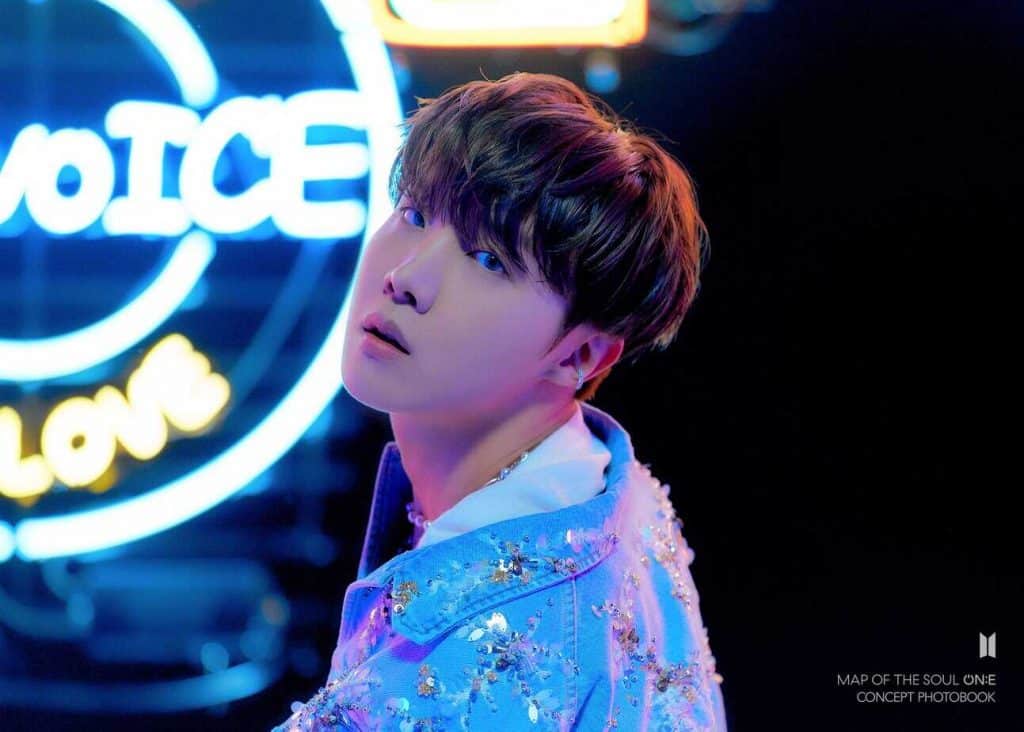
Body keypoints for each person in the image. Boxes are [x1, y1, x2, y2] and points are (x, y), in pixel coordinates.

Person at [273, 71, 727, 731]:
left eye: (488, 260)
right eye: (415, 213)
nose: (406, 278)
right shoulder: (598, 483)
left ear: (580, 356)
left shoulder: (489, 651)